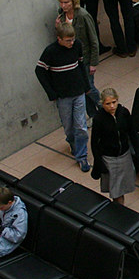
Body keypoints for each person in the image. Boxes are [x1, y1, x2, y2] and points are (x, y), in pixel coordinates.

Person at [35, 23, 91, 172]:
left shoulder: (77, 45)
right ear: (59, 39)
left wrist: (86, 86)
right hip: (63, 96)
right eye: (68, 40)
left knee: (81, 126)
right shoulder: (50, 52)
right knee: (68, 126)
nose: (71, 43)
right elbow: (40, 71)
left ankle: (82, 156)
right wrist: (51, 93)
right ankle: (73, 143)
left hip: (78, 92)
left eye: (73, 39)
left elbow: (80, 65)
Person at [89, 88, 139, 205]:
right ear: (102, 104)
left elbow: (132, 133)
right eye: (108, 104)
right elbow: (94, 142)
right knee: (116, 191)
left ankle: (119, 209)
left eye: (114, 102)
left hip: (124, 155)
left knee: (121, 188)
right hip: (109, 158)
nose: (112, 106)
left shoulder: (123, 113)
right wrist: (99, 162)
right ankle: (119, 209)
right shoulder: (99, 119)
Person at [56, 0, 100, 116]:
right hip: (72, 60)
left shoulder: (83, 15)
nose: (63, 6)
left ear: (73, 1)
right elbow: (62, 38)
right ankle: (93, 115)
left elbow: (93, 40)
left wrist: (93, 62)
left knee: (89, 87)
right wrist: (57, 27)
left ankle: (103, 106)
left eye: (66, 2)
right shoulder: (61, 16)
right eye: (62, 2)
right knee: (82, 89)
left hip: (85, 58)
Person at [0, 187, 27, 259]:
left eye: (1, 208)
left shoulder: (19, 214)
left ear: (10, 202)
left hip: (6, 243)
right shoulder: (3, 204)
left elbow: (18, 236)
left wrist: (2, 230)